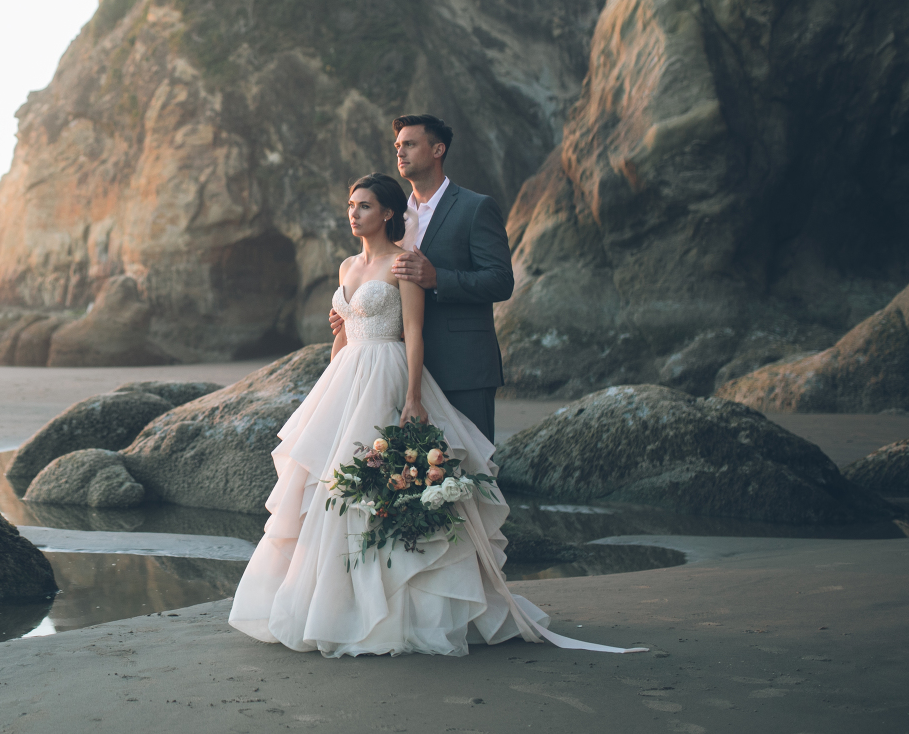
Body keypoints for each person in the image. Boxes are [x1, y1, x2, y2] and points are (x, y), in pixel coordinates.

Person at [227, 172, 642, 657]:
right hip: (346, 379)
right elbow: (343, 339)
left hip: (390, 371)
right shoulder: (345, 267)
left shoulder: (403, 264)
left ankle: (400, 610)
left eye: (363, 205)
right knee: (332, 489)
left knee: (379, 484)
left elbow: (414, 333)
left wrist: (413, 397)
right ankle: (335, 605)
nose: (353, 213)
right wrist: (337, 336)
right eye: (350, 204)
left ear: (386, 213)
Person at [329, 114, 511, 441]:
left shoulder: (476, 208)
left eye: (410, 145)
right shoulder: (393, 218)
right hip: (397, 371)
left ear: (438, 149)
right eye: (398, 146)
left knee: (470, 468)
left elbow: (500, 280)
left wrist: (438, 278)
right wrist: (353, 310)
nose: (400, 152)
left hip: (461, 366)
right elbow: (381, 279)